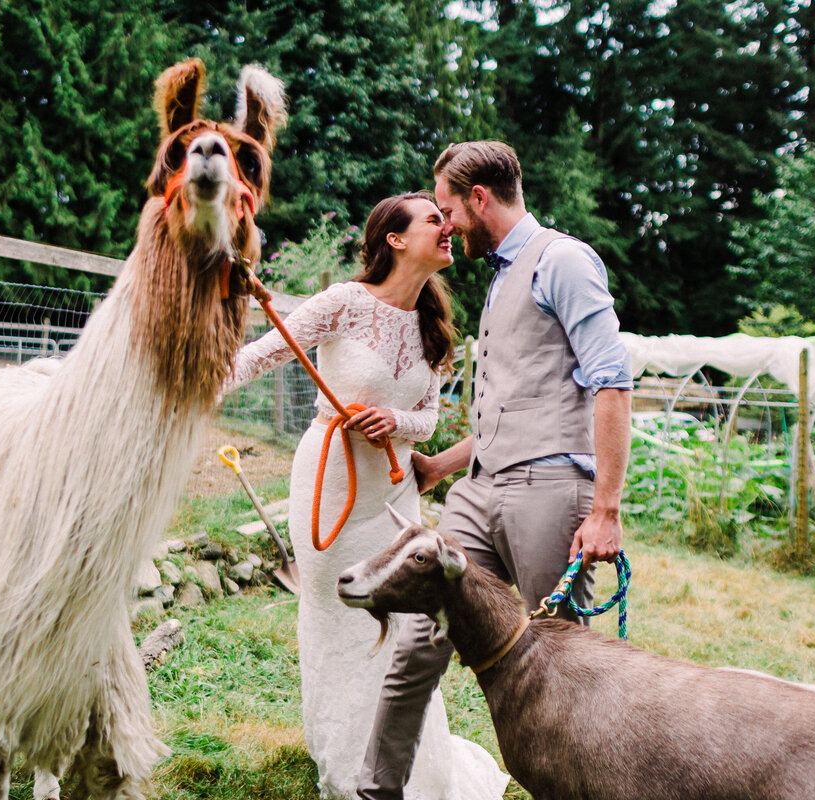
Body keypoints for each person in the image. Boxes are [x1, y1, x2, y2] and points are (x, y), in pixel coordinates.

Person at [356, 141, 634, 800]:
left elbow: (613, 384)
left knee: (563, 672)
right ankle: (376, 792)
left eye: (448, 208)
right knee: (420, 642)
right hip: (478, 498)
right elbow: (510, 412)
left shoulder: (563, 262)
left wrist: (605, 510)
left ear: (479, 199)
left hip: (550, 494)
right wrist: (438, 469)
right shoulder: (504, 277)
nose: (444, 224)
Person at [227, 192, 511, 800]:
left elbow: (430, 419)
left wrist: (393, 420)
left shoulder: (433, 329)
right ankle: (345, 754)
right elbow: (263, 353)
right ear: (395, 239)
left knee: (407, 620)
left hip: (394, 493)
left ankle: (411, 767)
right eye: (434, 219)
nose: (448, 225)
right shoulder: (344, 304)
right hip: (329, 481)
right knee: (336, 611)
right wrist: (195, 383)